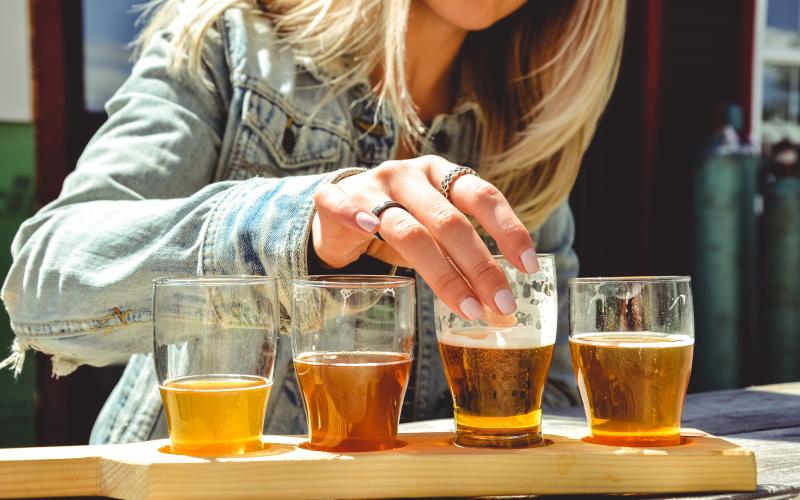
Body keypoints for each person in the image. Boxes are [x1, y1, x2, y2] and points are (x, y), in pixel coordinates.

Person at [1, 0, 624, 443]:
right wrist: (299, 233)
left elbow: (554, 410)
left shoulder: (527, 130)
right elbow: (44, 287)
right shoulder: (229, 39)